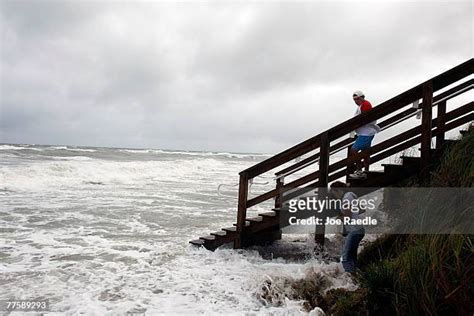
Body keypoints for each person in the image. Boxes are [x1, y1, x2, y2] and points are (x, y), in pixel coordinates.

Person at [329, 181, 365, 273]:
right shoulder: (351, 195)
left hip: (354, 230)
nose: (334, 195)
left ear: (338, 190)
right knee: (352, 255)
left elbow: (347, 217)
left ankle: (350, 276)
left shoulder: (346, 198)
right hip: (359, 229)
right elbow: (361, 209)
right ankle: (356, 274)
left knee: (345, 257)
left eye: (333, 192)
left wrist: (340, 217)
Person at [349, 90, 380, 179]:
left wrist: (353, 124)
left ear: (362, 97)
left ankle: (360, 171)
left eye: (357, 98)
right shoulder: (361, 106)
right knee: (365, 153)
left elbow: (364, 119)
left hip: (366, 133)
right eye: (354, 99)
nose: (356, 101)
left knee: (354, 150)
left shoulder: (365, 104)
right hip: (365, 132)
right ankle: (366, 171)